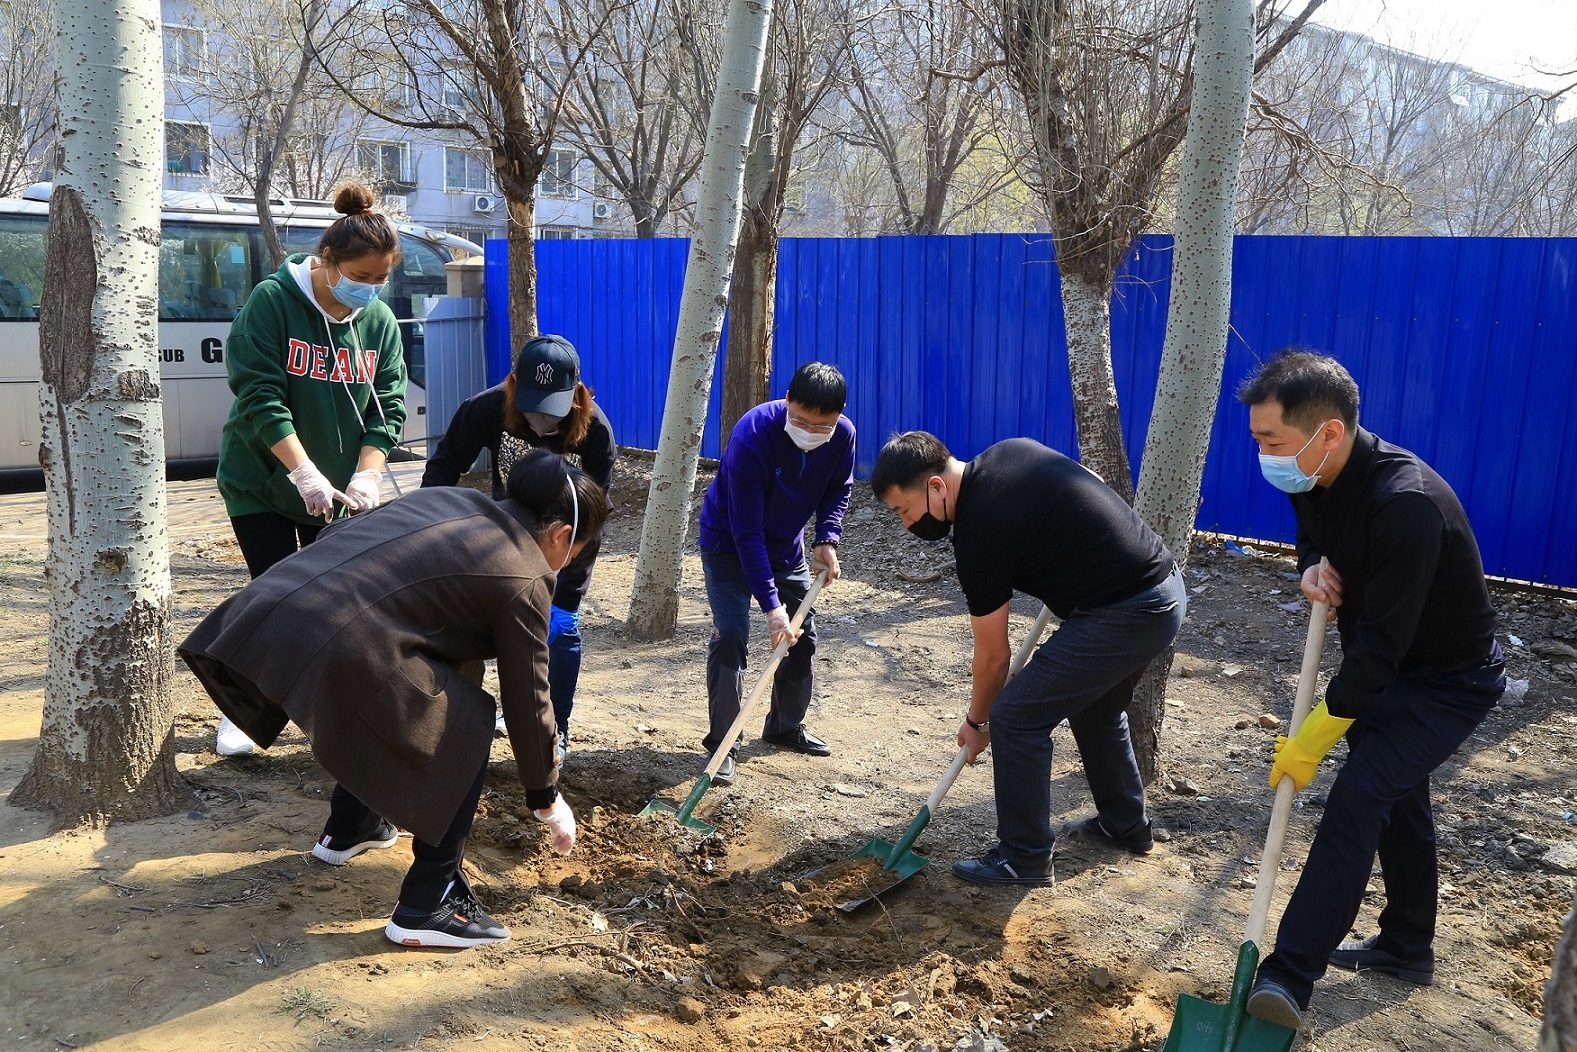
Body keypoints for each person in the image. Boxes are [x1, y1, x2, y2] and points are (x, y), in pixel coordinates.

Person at [179, 450, 610, 949]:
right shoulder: (525, 573)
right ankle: (431, 902)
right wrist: (545, 795)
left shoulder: (449, 499)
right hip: (340, 640)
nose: (565, 565)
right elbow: (528, 697)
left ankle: (352, 826)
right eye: (574, 554)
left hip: (271, 611)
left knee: (422, 694)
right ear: (560, 535)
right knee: (466, 723)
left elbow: (339, 537)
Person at [1236, 351, 1505, 1030]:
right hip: (1383, 668)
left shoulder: (1406, 504)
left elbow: (1378, 657)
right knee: (1397, 801)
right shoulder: (1311, 474)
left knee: (1358, 799)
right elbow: (1314, 539)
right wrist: (1309, 568)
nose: (1264, 456)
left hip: (1449, 683)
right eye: (1257, 439)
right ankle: (1406, 946)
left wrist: (1310, 741)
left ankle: (1288, 974)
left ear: (1328, 432)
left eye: (1271, 440)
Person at [871, 432, 1185, 887]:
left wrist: (978, 722)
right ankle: (1125, 824)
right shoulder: (1009, 452)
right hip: (1163, 588)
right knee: (1096, 707)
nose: (906, 524)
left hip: (1129, 609)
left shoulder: (979, 533)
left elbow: (993, 657)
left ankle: (1024, 857)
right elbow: (1089, 481)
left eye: (904, 510)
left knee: (1015, 717)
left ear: (936, 487)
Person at [210, 182, 408, 757]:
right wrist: (303, 473)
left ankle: (328, 710)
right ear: (327, 261)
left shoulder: (378, 322)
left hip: (340, 494)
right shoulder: (273, 302)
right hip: (264, 480)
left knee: (336, 605)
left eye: (381, 280)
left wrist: (367, 475)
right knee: (274, 598)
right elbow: (260, 396)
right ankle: (245, 713)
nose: (370, 289)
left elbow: (388, 408)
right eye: (361, 277)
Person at [422, 334, 617, 763]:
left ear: (577, 394)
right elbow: (442, 469)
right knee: (481, 632)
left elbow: (591, 521)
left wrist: (567, 592)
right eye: (532, 406)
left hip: (563, 548)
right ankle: (457, 725)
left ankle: (554, 729)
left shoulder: (597, 432)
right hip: (501, 543)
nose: (540, 420)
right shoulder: (485, 408)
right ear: (512, 384)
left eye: (552, 409)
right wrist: (429, 531)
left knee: (560, 633)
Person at [696, 362, 855, 786]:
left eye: (821, 425)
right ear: (787, 401)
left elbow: (839, 487)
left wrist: (827, 537)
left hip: (785, 546)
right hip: (728, 544)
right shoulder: (752, 436)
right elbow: (746, 532)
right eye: (800, 420)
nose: (810, 431)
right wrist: (771, 608)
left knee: (802, 634)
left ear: (838, 416)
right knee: (731, 632)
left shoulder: (843, 435)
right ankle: (723, 743)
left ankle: (784, 726)